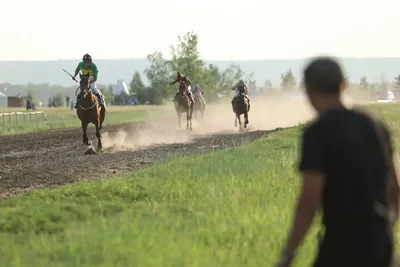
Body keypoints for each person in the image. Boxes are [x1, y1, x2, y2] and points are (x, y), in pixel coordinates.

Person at [275, 56, 400, 267]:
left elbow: (309, 200)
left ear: (309, 90)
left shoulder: (317, 133)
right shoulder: (374, 124)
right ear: (344, 84)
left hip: (343, 242)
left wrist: (288, 253)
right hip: (381, 242)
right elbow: (395, 189)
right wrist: (385, 233)